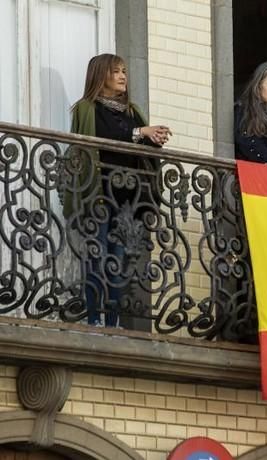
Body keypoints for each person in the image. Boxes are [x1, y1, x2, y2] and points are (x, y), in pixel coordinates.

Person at [69, 53, 172, 327]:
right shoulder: (87, 108)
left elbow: (140, 149)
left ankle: (112, 323)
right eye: (116, 71)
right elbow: (101, 138)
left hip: (127, 199)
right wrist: (141, 133)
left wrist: (154, 140)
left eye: (124, 70)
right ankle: (93, 320)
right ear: (100, 75)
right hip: (98, 194)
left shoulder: (132, 111)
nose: (123, 76)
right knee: (96, 257)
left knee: (118, 263)